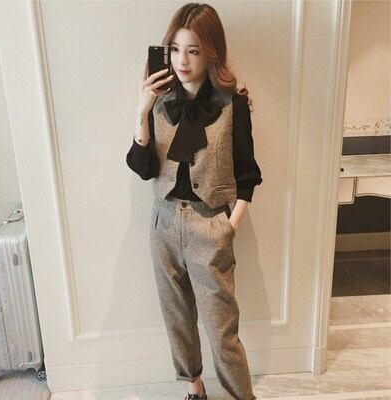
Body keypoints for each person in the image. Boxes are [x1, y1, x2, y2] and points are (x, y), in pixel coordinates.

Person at [126, 3, 262, 400]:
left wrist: (227, 227)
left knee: (222, 330)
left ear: (211, 53)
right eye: (174, 49)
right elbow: (143, 168)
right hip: (164, 225)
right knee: (178, 318)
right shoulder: (159, 103)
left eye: (193, 50)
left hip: (210, 226)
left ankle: (242, 396)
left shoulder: (232, 105)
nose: (181, 61)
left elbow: (248, 175)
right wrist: (142, 113)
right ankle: (194, 389)